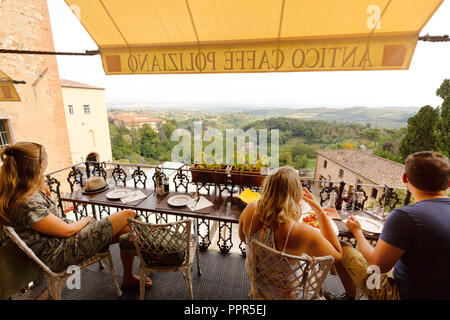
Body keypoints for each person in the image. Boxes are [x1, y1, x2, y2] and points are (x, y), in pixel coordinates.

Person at [0, 142, 152, 290]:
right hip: (59, 254)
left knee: (126, 229)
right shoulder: (27, 202)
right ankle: (157, 254)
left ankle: (129, 277)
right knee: (128, 214)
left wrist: (41, 183)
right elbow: (66, 230)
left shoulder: (25, 190)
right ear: (40, 165)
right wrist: (86, 220)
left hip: (63, 242)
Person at [330, 151, 450, 300]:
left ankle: (349, 296)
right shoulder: (407, 218)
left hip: (400, 294)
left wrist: (357, 231)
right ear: (448, 183)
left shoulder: (405, 216)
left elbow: (377, 265)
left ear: (405, 178)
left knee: (339, 245)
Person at [238, 166, 342, 299]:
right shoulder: (301, 233)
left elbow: (242, 238)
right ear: (296, 194)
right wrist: (319, 210)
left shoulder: (250, 210)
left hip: (259, 292)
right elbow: (337, 256)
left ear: (267, 187)